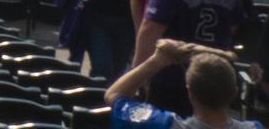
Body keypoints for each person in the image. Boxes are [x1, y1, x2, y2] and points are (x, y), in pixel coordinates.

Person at [105, 39, 260, 129]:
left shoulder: (164, 124)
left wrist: (156, 61)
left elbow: (113, 95)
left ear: (190, 92)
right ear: (233, 93)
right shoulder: (254, 128)